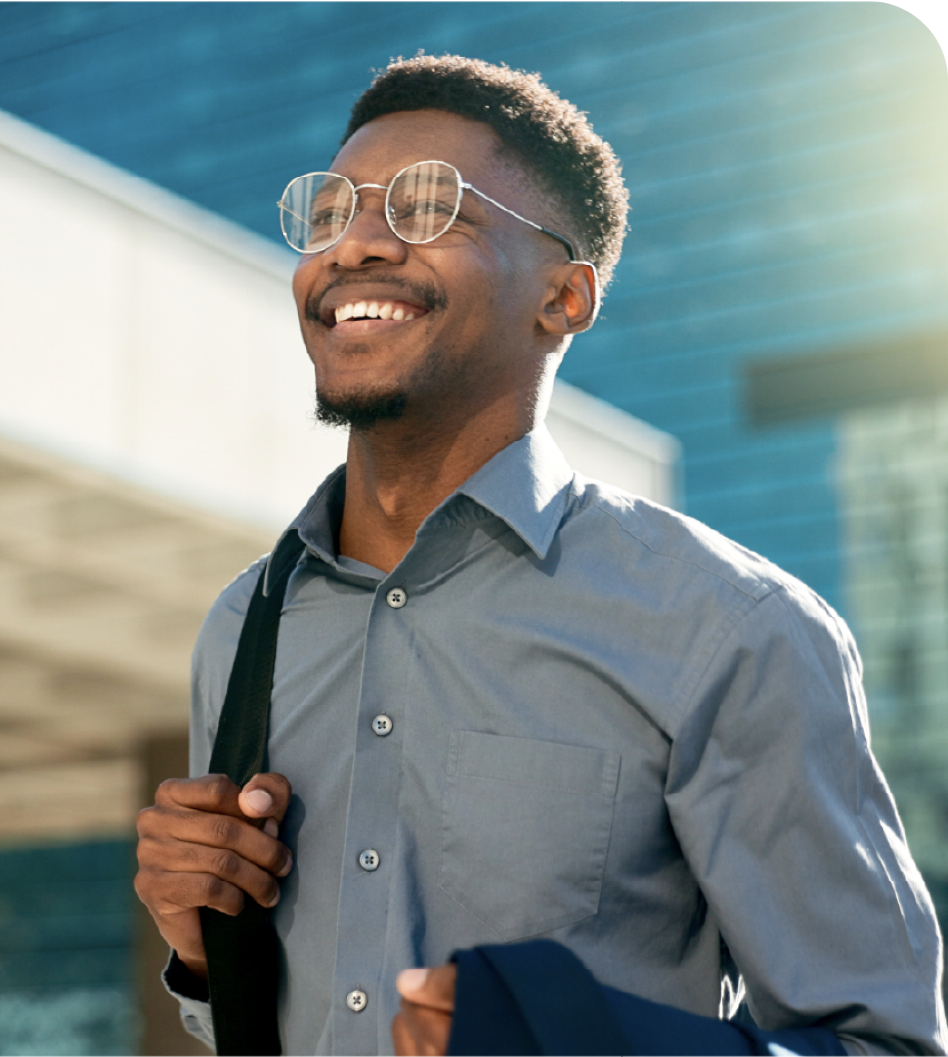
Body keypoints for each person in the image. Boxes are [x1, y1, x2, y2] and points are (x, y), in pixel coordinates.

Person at [135, 55, 947, 1057]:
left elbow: (885, 1047)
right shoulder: (245, 626)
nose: (356, 245)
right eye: (332, 211)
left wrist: (583, 1042)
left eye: (430, 208)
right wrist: (208, 955)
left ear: (564, 297)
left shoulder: (731, 629)